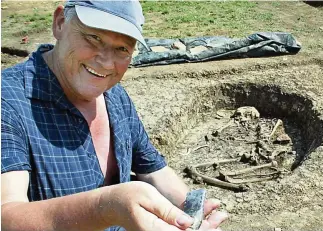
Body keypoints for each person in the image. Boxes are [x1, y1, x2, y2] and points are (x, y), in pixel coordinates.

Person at [1, 1, 228, 230]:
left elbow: (153, 171)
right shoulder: (8, 100)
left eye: (122, 49)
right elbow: (6, 217)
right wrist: (104, 207)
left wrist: (190, 216)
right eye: (94, 38)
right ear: (60, 23)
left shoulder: (114, 95)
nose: (107, 62)